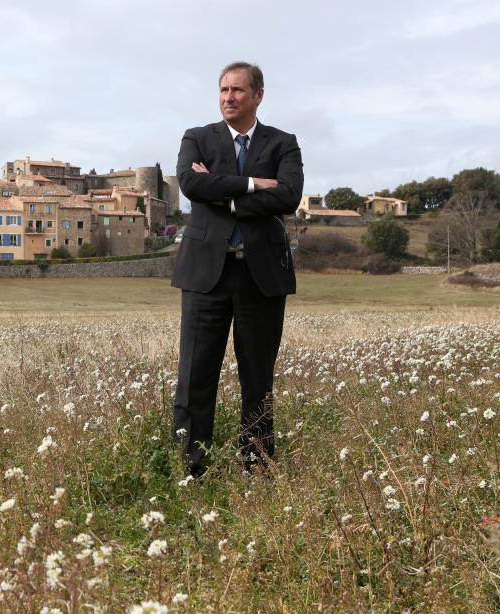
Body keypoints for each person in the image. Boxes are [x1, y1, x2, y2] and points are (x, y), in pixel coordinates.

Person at [171, 61, 303, 477]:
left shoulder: (284, 143)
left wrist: (223, 192)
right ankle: (194, 470)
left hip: (260, 275)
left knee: (258, 379)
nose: (229, 97)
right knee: (194, 376)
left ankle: (257, 469)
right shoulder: (197, 138)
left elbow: (288, 196)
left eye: (238, 91)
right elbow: (191, 186)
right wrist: (251, 184)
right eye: (224, 90)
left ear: (258, 95)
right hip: (205, 275)